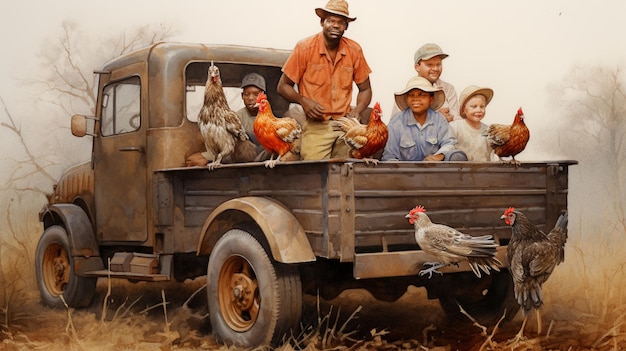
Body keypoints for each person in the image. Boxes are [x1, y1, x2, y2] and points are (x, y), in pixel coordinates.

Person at [276, 0, 372, 160]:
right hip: (316, 126)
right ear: (322, 22)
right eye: (331, 21)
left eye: (341, 22)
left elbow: (365, 89)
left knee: (347, 171)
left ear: (346, 26)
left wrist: (357, 111)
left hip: (345, 125)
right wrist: (304, 101)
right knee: (314, 174)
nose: (336, 26)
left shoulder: (354, 50)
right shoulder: (304, 47)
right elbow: (282, 86)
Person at [185, 72, 268, 166]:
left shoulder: (272, 117)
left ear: (263, 95)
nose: (251, 98)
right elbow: (226, 144)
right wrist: (207, 158)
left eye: (256, 94)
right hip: (241, 161)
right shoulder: (236, 117)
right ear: (242, 96)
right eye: (246, 94)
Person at [381, 76, 467, 162]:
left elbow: (449, 143)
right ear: (407, 99)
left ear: (431, 99)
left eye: (421, 95)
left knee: (458, 155)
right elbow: (390, 155)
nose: (416, 99)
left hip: (434, 170)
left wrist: (439, 156)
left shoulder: (439, 119)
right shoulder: (396, 122)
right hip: (405, 172)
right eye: (411, 95)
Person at [412, 43, 461, 122]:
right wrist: (436, 117)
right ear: (417, 67)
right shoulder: (407, 92)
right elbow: (397, 124)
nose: (435, 69)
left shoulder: (448, 89)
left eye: (438, 64)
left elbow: (456, 121)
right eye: (430, 65)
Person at [449, 86, 494, 161]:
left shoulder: (488, 131)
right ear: (463, 109)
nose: (479, 110)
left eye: (482, 106)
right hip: (460, 170)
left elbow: (492, 154)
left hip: (483, 170)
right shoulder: (455, 127)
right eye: (474, 106)